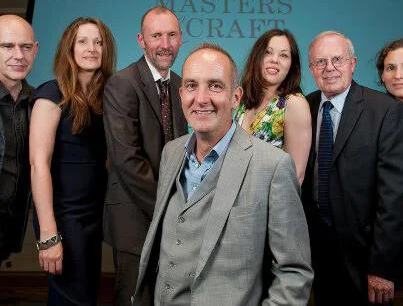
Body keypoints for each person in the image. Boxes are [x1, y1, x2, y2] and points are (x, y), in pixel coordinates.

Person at [133, 43, 313, 306]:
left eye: (215, 86)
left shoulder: (273, 166)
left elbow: (294, 272)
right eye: (191, 86)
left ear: (236, 97)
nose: (201, 98)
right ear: (181, 94)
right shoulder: (171, 153)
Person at [302, 31, 403, 305]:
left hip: (364, 255)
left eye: (337, 59)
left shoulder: (385, 110)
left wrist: (382, 266)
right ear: (311, 69)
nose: (329, 68)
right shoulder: (305, 107)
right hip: (316, 252)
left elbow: (392, 197)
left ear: (353, 63)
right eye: (320, 62)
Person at [103, 6, 187, 306]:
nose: (165, 44)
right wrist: (167, 210)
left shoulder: (181, 85)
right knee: (135, 298)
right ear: (141, 40)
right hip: (135, 216)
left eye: (172, 35)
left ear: (180, 39)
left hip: (174, 217)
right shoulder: (122, 83)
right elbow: (127, 160)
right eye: (156, 36)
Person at [29, 17, 116, 305]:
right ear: (70, 48)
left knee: (86, 296)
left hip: (92, 215)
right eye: (83, 41)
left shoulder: (106, 99)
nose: (92, 48)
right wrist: (48, 235)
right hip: (63, 216)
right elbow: (38, 165)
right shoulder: (51, 95)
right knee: (71, 298)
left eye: (98, 42)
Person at [235, 29, 311, 183]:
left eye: (283, 55)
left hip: (270, 197)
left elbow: (295, 175)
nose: (274, 60)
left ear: (292, 65)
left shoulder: (294, 103)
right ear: (257, 57)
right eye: (268, 52)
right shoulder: (245, 101)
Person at [0, 15, 38, 264]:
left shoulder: (39, 102)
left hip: (8, 229)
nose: (19, 55)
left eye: (25, 47)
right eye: (7, 46)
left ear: (35, 50)